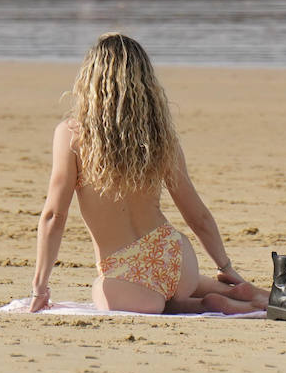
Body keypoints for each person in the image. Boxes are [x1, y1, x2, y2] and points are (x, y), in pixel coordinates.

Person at [29, 33, 269, 314]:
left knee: (107, 294)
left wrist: (39, 287)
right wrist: (225, 267)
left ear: (90, 81)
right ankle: (223, 294)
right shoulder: (160, 138)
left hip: (124, 271)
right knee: (173, 292)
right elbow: (197, 215)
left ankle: (208, 303)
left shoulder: (73, 135)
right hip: (174, 256)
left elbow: (53, 216)